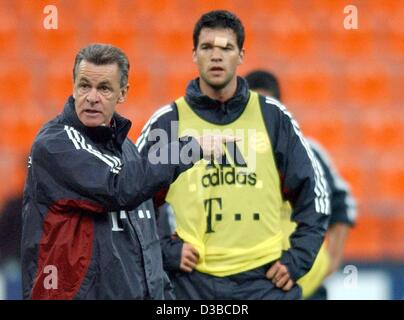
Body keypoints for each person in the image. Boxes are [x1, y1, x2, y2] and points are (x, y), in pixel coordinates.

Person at [137, 10, 330, 300]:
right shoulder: (168, 121)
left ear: (241, 55)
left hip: (264, 283)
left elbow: (315, 195)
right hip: (191, 285)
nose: (217, 56)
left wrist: (296, 260)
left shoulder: (273, 117)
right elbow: (131, 197)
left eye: (226, 48)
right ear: (194, 54)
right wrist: (165, 251)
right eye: (207, 48)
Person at [21, 43, 236, 300]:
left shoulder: (128, 151)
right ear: (73, 86)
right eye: (84, 85)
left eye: (104, 88)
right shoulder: (55, 145)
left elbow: (147, 240)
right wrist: (189, 148)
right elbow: (118, 187)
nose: (91, 96)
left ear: (122, 93)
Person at [245, 69, 357, 299]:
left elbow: (342, 203)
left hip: (307, 289)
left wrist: (331, 261)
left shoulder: (308, 153)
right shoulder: (227, 159)